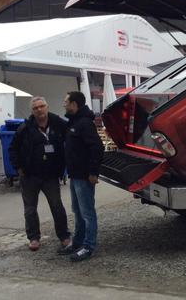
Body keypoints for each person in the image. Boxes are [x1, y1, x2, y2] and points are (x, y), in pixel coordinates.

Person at [8, 96, 71, 252]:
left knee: (57, 206)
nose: (39, 110)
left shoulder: (58, 123)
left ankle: (64, 236)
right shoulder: (25, 128)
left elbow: (72, 135)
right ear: (32, 111)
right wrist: (18, 167)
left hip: (50, 175)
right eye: (35, 108)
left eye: (41, 106)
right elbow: (12, 148)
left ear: (47, 107)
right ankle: (34, 238)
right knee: (30, 209)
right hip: (29, 176)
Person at [58, 91, 104, 262]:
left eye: (65, 101)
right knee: (77, 211)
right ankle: (78, 242)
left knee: (87, 213)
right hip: (75, 175)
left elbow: (97, 148)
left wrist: (93, 172)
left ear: (74, 104)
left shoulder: (84, 123)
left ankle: (89, 246)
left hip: (84, 177)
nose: (64, 104)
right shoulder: (74, 121)